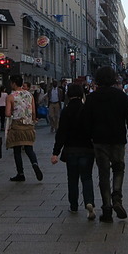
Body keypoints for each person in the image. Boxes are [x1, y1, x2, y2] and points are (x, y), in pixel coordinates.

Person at [84, 66, 128, 222]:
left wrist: (89, 139)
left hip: (99, 140)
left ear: (98, 79)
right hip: (118, 139)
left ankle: (107, 209)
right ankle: (117, 198)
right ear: (114, 78)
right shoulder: (120, 96)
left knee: (103, 174)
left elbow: (86, 122)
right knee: (119, 169)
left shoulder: (92, 98)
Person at [52, 83, 96, 219]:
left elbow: (61, 134)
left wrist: (55, 152)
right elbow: (93, 130)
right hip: (87, 150)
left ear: (68, 95)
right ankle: (89, 202)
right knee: (87, 178)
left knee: (72, 179)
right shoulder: (87, 110)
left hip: (71, 150)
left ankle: (73, 205)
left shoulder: (66, 111)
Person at [5, 75, 43, 182]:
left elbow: (7, 113)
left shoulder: (11, 96)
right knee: (29, 149)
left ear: (13, 83)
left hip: (17, 125)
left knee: (17, 150)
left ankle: (20, 173)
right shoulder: (29, 95)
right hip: (28, 125)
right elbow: (34, 112)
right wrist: (33, 120)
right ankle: (34, 164)